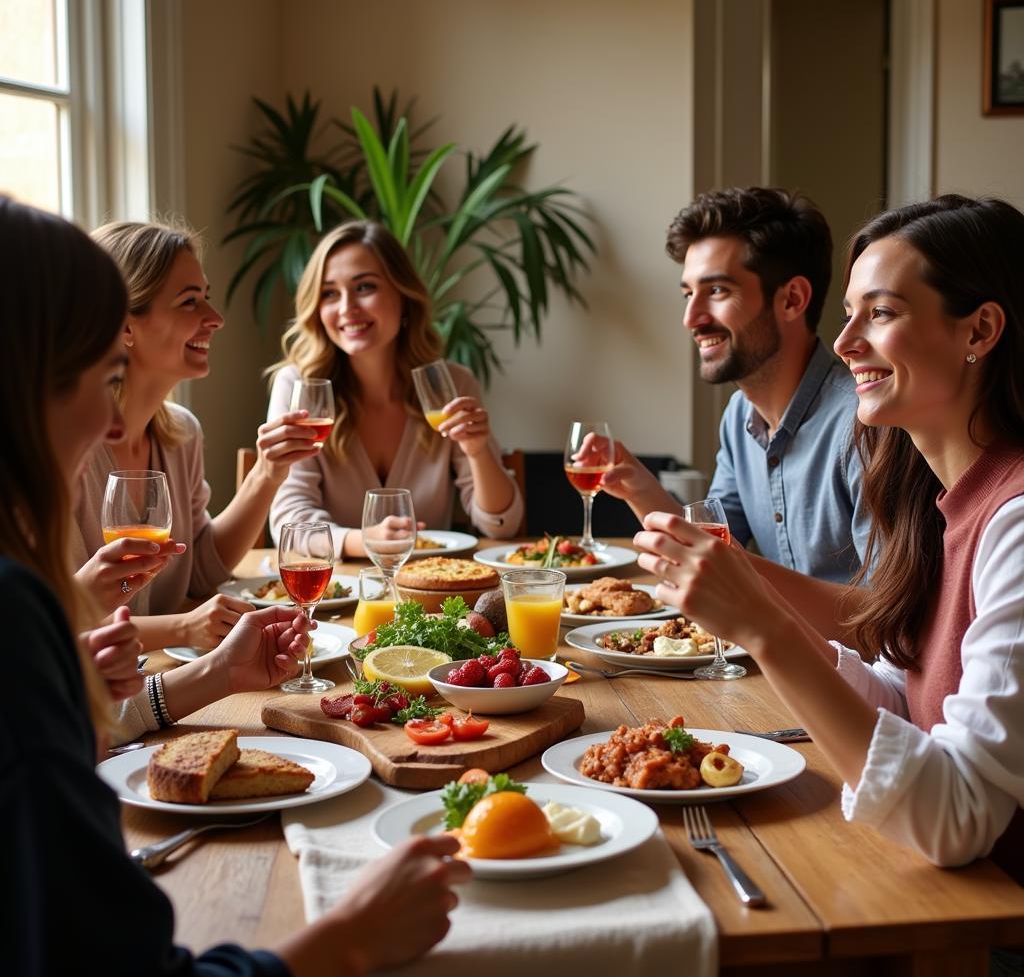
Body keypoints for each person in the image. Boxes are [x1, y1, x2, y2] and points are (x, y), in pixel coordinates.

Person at [0, 195, 469, 976]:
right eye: (101, 374)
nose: (114, 424)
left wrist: (195, 676)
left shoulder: (31, 605)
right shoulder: (16, 619)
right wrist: (348, 941)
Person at [635, 195, 1024, 890]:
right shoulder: (932, 497)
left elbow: (958, 820)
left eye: (880, 313)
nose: (844, 344)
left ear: (981, 329)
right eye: (850, 315)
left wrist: (762, 625)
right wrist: (755, 614)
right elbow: (910, 705)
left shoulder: (1016, 524)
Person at [588, 187, 869, 585]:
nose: (691, 317)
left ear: (792, 299)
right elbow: (714, 554)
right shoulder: (739, 417)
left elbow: (886, 619)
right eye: (688, 293)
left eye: (717, 291)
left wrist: (732, 570)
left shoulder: (864, 426)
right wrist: (637, 485)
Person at [71, 221, 324, 651]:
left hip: (160, 676)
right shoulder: (65, 451)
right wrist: (184, 629)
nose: (216, 319)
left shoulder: (180, 434)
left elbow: (203, 568)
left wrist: (268, 473)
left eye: (206, 297)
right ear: (124, 326)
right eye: (190, 302)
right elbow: (52, 623)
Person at [267, 220, 523, 558]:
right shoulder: (299, 387)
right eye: (329, 293)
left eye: (364, 287)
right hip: (334, 593)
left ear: (403, 296)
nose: (346, 308)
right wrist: (365, 541)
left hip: (428, 593)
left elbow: (502, 524)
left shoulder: (453, 385)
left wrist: (477, 451)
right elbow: (289, 519)